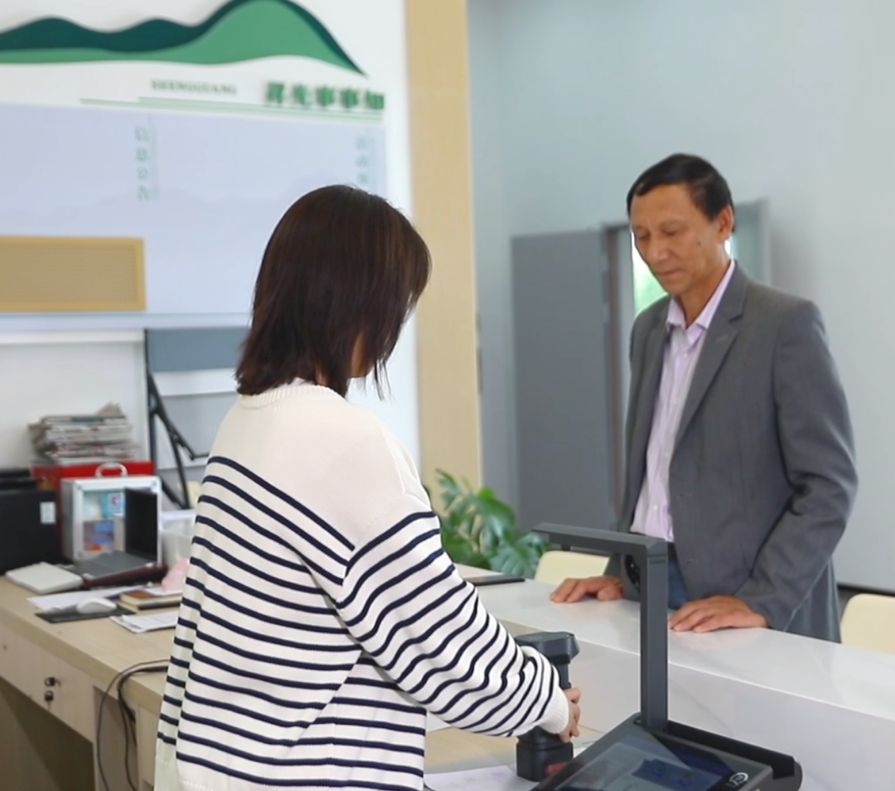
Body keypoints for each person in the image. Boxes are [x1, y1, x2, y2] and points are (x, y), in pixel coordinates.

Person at [156, 185, 581, 791]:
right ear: (359, 305)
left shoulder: (244, 422)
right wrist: (549, 702)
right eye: (396, 306)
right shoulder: (344, 440)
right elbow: (438, 637)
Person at [552, 154, 856, 641]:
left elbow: (828, 485)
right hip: (648, 582)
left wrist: (763, 598)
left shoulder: (783, 325)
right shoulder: (648, 329)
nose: (655, 252)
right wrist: (619, 571)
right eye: (641, 236)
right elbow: (650, 478)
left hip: (743, 598)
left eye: (672, 231)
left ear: (723, 223)